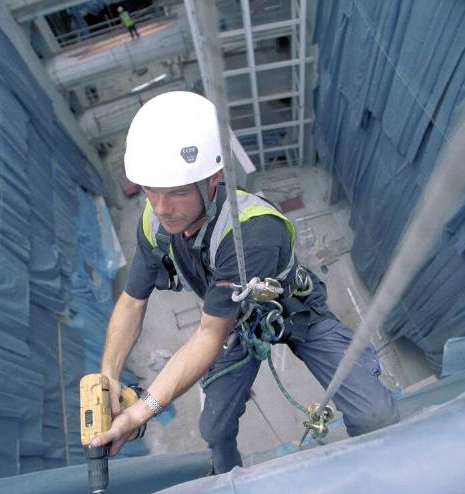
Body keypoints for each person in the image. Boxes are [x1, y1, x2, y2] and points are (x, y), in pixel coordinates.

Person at [91, 91, 399, 474]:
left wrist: (140, 413)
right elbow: (133, 301)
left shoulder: (252, 233)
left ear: (214, 179)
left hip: (292, 312)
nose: (162, 207)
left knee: (374, 414)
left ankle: (380, 472)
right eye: (152, 190)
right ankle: (232, 485)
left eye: (178, 192)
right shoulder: (155, 222)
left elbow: (208, 335)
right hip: (233, 325)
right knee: (214, 429)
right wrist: (108, 373)